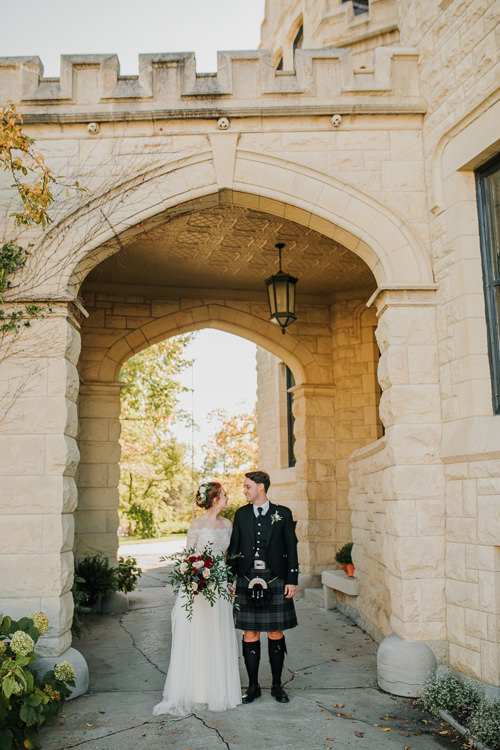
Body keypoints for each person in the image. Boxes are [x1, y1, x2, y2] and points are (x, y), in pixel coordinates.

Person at [153, 482, 242, 716]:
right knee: (199, 634)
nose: (227, 498)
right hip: (199, 587)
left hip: (220, 583)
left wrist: (229, 581)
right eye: (224, 495)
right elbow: (188, 558)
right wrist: (196, 577)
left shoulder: (228, 524)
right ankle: (196, 690)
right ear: (214, 499)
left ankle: (218, 689)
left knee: (219, 632)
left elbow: (228, 557)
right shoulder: (197, 525)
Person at [228, 470, 298, 704]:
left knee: (276, 632)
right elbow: (234, 549)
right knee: (250, 633)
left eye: (247, 486)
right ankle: (253, 687)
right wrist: (232, 578)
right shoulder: (241, 515)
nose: (244, 490)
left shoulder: (283, 513)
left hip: (276, 578)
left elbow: (292, 547)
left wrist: (292, 579)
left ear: (261, 487)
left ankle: (277, 686)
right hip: (247, 578)